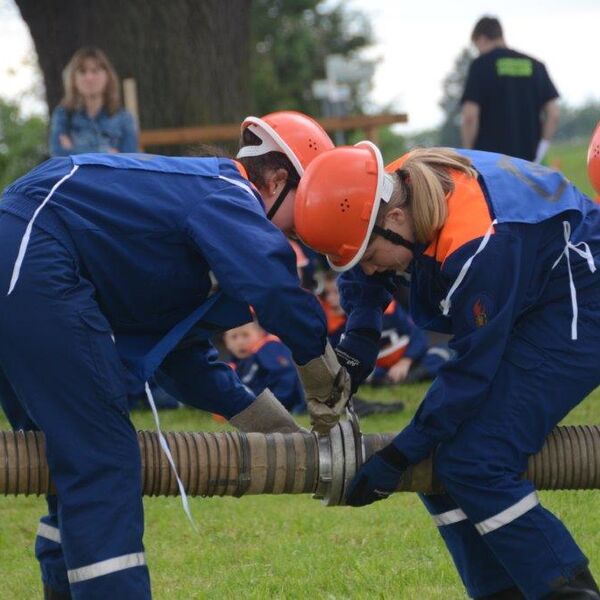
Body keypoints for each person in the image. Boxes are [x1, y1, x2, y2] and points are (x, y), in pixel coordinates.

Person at [0, 113, 349, 599]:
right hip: (31, 249)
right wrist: (323, 376)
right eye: (303, 212)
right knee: (102, 458)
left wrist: (269, 426)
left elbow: (180, 357)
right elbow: (275, 288)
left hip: (26, 246)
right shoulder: (228, 194)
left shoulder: (189, 217)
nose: (298, 236)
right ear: (276, 180)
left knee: (67, 461)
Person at [293, 141, 600, 598]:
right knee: (438, 465)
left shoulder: (478, 246)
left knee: (478, 460)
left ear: (396, 221)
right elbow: (361, 267)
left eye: (372, 256)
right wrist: (360, 335)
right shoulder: (384, 188)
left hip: (580, 299)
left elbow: (472, 372)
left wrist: (398, 455)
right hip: (533, 282)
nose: (371, 268)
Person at [320, 271, 451, 385]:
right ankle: (394, 379)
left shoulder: (386, 308)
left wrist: (406, 361)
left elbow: (416, 334)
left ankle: (414, 374)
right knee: (356, 372)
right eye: (327, 294)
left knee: (441, 353)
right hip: (379, 367)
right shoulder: (334, 324)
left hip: (409, 358)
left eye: (336, 292)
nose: (331, 298)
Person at [461, 16, 560, 164]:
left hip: (491, 165)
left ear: (481, 39)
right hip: (530, 163)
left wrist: (470, 155)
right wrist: (541, 149)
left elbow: (470, 116)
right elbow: (554, 114)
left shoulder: (480, 65)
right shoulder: (536, 65)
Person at [49, 47, 138, 156]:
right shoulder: (63, 115)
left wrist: (75, 152)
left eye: (95, 71)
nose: (89, 77)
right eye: (82, 71)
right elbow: (59, 156)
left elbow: (129, 162)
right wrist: (107, 154)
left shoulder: (124, 118)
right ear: (73, 78)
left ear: (107, 76)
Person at [223, 321, 306, 414]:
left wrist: (273, 408)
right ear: (226, 342)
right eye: (234, 337)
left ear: (260, 334)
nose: (240, 342)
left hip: (293, 402)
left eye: (246, 335)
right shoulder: (232, 365)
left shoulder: (269, 349)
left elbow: (286, 377)